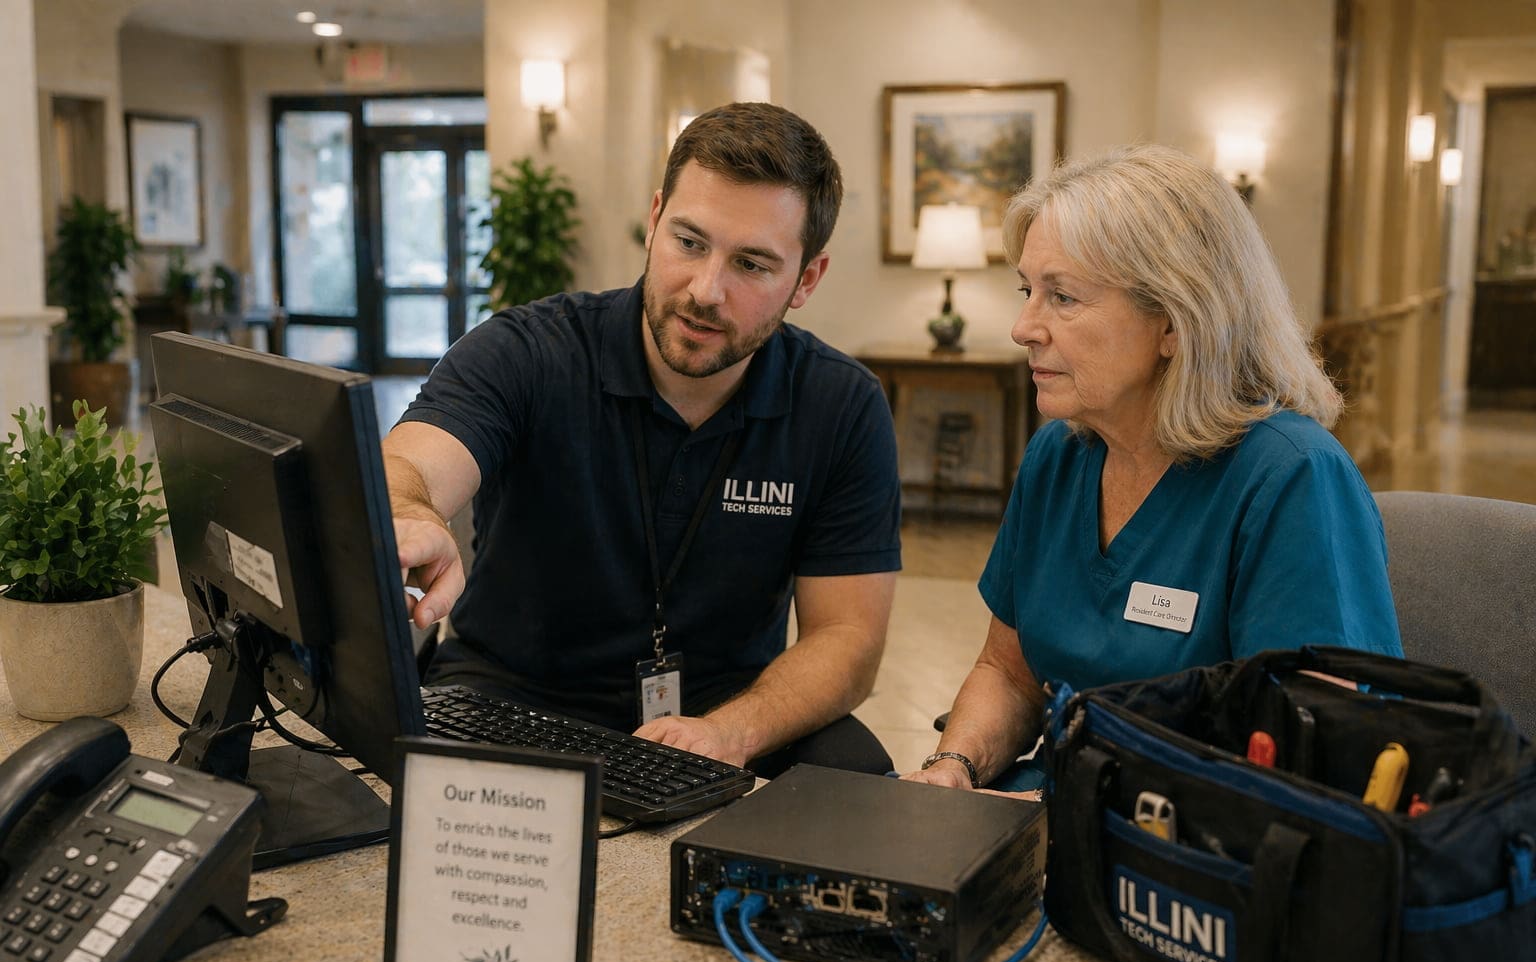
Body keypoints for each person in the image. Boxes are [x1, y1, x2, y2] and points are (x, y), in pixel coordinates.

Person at [383, 102, 901, 777]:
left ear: (805, 280)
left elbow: (848, 637)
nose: (706, 290)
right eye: (689, 242)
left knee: (858, 775)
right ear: (655, 220)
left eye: (751, 264)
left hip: (723, 703)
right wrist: (411, 511)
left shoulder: (841, 404)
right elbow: (411, 464)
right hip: (510, 693)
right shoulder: (526, 351)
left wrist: (731, 733)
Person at [905, 144, 1402, 795]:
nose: (1024, 327)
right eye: (1029, 291)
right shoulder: (1060, 455)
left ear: (1173, 323)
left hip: (1193, 852)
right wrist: (955, 768)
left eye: (1064, 297)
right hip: (1056, 809)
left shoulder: (1291, 479)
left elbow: (1312, 758)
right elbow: (1007, 671)